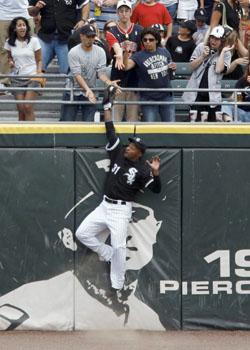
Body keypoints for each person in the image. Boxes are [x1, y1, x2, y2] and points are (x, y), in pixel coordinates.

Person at [75, 85, 161, 293]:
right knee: (82, 233)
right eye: (129, 145)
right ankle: (106, 253)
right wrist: (107, 104)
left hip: (122, 210)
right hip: (105, 205)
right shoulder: (118, 154)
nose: (128, 147)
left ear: (138, 153)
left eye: (132, 147)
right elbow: (110, 129)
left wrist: (156, 173)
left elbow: (156, 190)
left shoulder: (142, 169)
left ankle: (117, 285)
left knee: (121, 247)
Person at [60, 24, 119, 122]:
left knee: (89, 122)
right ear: (81, 36)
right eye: (88, 36)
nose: (90, 39)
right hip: (72, 90)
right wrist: (88, 90)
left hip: (90, 89)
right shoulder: (73, 52)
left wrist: (109, 82)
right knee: (67, 122)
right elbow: (77, 75)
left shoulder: (100, 51)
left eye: (93, 36)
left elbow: (101, 73)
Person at [124, 27, 176, 122]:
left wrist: (172, 67)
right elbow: (126, 67)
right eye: (145, 40)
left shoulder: (164, 52)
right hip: (148, 98)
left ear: (156, 40)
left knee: (171, 126)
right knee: (149, 128)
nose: (147, 42)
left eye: (151, 39)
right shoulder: (138, 56)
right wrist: (125, 53)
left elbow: (171, 70)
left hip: (166, 95)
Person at [182, 25, 232, 122]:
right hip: (196, 94)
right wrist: (203, 56)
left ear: (222, 41)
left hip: (212, 96)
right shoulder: (201, 47)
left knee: (214, 126)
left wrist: (222, 52)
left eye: (217, 39)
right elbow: (192, 66)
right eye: (212, 37)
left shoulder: (226, 54)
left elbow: (218, 70)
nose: (213, 41)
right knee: (194, 123)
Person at [28, 0, 90, 74]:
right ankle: (37, 85)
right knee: (37, 69)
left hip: (66, 38)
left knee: (65, 73)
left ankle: (66, 85)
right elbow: (31, 12)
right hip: (45, 37)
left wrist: (83, 20)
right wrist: (37, 7)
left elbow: (85, 3)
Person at [105, 0, 143, 121]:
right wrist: (120, 55)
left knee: (132, 119)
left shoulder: (140, 30)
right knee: (116, 118)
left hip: (134, 78)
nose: (124, 14)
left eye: (127, 11)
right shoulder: (111, 32)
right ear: (117, 13)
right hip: (118, 78)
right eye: (121, 11)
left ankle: (131, 141)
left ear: (131, 12)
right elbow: (116, 46)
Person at [4, 17, 43, 121]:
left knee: (27, 106)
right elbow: (9, 57)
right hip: (17, 78)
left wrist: (39, 73)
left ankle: (32, 135)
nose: (22, 27)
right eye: (19, 25)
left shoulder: (34, 41)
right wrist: (11, 61)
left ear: (27, 27)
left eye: (24, 25)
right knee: (21, 109)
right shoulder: (9, 42)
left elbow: (39, 60)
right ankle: (21, 136)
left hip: (33, 77)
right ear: (14, 28)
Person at [0, 0, 34, 92]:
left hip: (24, 13)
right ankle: (4, 81)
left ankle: (28, 79)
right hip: (3, 14)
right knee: (3, 50)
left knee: (30, 47)